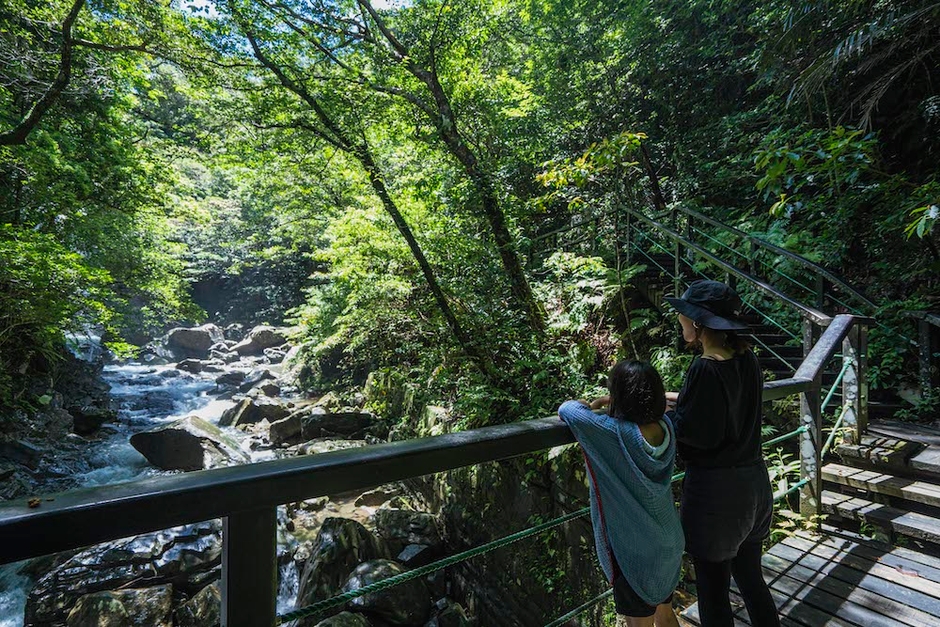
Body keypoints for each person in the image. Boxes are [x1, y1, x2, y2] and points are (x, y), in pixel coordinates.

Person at [663, 280, 780, 627]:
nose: (680, 320)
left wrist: (662, 418)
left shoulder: (705, 368)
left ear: (699, 323)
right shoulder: (748, 360)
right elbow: (722, 409)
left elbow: (697, 435)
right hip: (755, 486)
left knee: (713, 596)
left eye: (684, 315)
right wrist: (679, 402)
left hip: (718, 497)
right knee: (751, 580)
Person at [558, 360, 683, 627]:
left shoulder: (611, 432)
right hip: (669, 540)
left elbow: (568, 409)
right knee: (665, 614)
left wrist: (598, 403)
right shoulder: (666, 426)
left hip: (636, 551)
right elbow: (680, 401)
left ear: (620, 396)